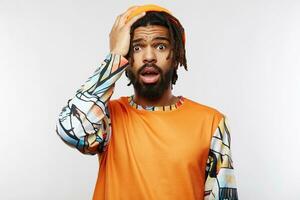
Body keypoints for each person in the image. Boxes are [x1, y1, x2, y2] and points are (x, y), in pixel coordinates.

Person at [55, 4, 238, 200]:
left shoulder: (211, 122)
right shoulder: (107, 119)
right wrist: (114, 57)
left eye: (160, 46)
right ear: (126, 57)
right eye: (136, 47)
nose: (149, 57)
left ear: (176, 55)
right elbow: (70, 129)